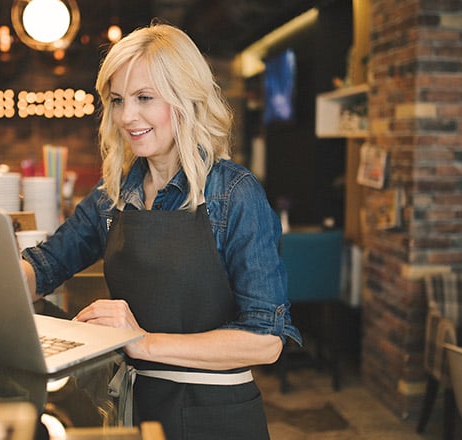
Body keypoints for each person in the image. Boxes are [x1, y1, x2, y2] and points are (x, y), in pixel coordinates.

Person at [20, 22, 301, 440]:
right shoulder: (112, 195)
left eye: (144, 98)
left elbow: (265, 341)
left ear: (186, 98)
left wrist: (142, 343)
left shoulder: (233, 193)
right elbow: (44, 266)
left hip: (216, 417)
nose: (126, 116)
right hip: (134, 411)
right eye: (117, 100)